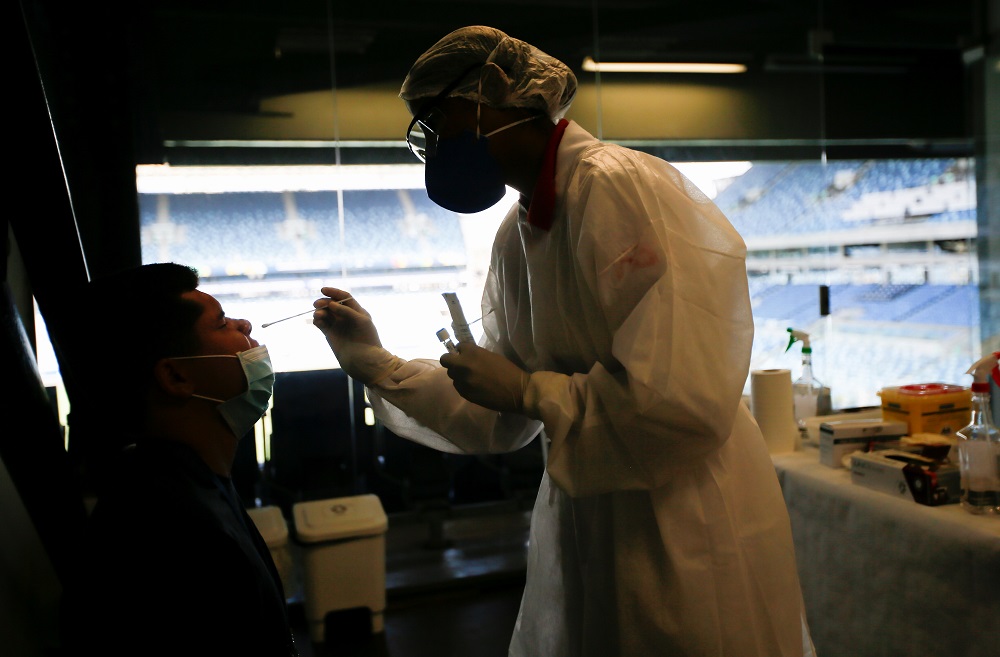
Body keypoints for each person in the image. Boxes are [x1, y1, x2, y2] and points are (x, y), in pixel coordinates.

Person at [312, 25, 814, 657]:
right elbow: (497, 413)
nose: (430, 144)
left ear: (496, 93)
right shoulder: (521, 230)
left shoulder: (618, 185)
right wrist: (379, 362)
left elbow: (682, 403)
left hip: (683, 520)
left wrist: (530, 391)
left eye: (436, 120)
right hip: (595, 517)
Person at [58, 262, 298, 657]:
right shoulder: (172, 538)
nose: (245, 325)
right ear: (176, 378)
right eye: (222, 324)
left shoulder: (182, 483)